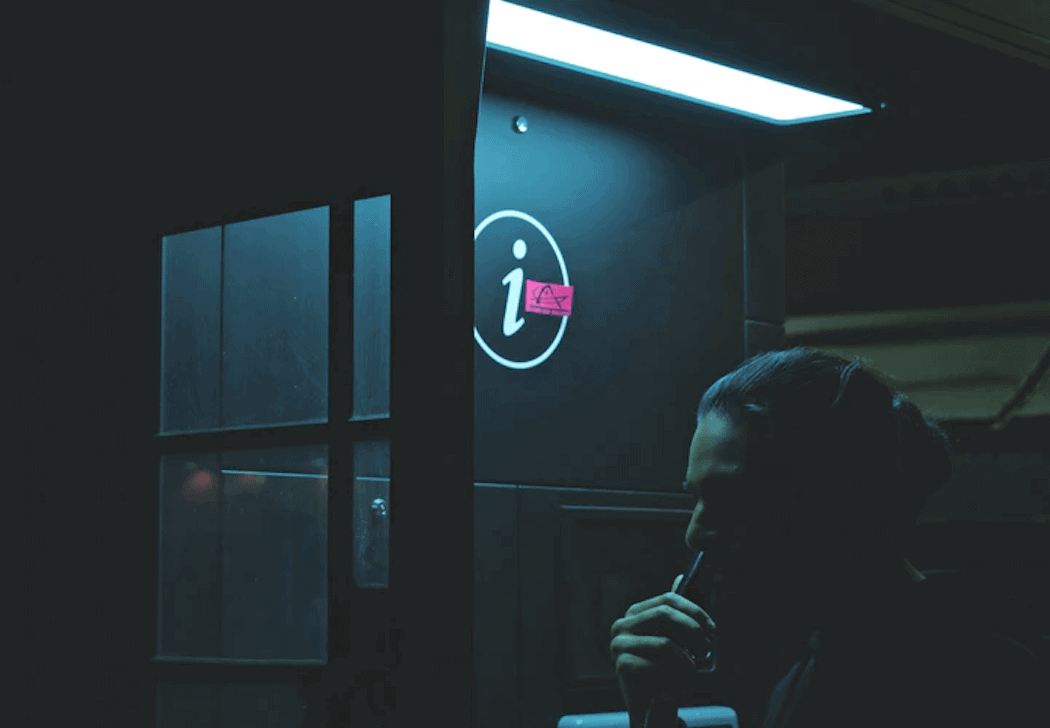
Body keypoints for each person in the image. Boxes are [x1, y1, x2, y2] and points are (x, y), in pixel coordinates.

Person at [609, 348, 1047, 728]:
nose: (695, 535)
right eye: (698, 499)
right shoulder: (807, 673)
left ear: (833, 496)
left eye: (731, 498)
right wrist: (657, 716)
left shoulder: (985, 682)